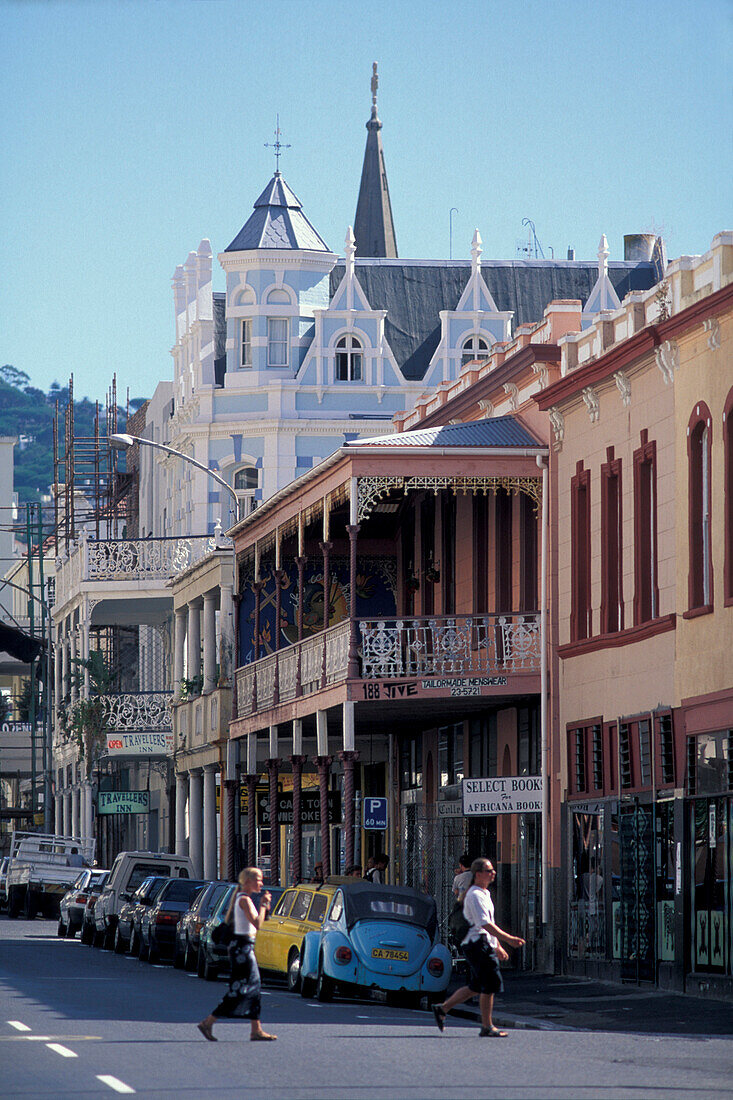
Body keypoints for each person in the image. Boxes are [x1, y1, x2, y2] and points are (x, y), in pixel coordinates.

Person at [432, 857, 525, 1038]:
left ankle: (443, 1008)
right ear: (478, 874)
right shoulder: (474, 895)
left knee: (476, 985)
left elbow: (489, 923)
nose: (493, 874)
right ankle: (487, 1026)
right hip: (476, 944)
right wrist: (509, 939)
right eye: (489, 871)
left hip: (483, 943)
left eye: (493, 870)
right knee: (489, 984)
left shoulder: (485, 894)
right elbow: (484, 924)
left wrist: (496, 945)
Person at [197, 868, 276, 1042]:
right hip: (242, 948)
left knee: (253, 986)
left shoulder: (244, 899)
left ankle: (256, 1029)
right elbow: (258, 924)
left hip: (246, 946)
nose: (261, 883)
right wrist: (263, 904)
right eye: (258, 880)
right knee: (239, 988)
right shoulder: (244, 900)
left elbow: (259, 922)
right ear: (248, 881)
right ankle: (208, 1022)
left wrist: (265, 906)